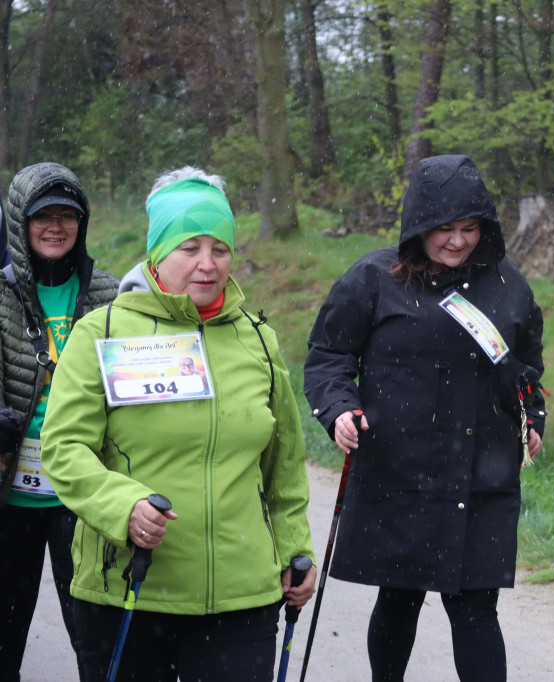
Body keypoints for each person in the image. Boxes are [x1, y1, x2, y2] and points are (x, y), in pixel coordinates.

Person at [40, 167, 316, 682]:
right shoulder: (100, 332)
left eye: (220, 248)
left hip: (243, 600)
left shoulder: (258, 340)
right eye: (190, 247)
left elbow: (282, 465)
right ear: (158, 253)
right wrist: (123, 507)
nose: (207, 265)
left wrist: (295, 548)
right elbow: (63, 449)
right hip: (132, 592)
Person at [304, 154, 546, 682]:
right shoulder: (374, 279)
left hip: (482, 475)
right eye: (444, 229)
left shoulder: (509, 287)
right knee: (400, 597)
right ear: (418, 225)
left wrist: (533, 417)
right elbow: (328, 357)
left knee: (476, 608)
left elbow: (527, 367)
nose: (457, 242)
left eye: (469, 228)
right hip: (401, 472)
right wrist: (340, 409)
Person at [0, 163, 119, 681]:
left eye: (67, 215)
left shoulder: (112, 297)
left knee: (97, 643)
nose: (55, 226)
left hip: (86, 497)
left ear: (82, 223)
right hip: (11, 499)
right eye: (42, 215)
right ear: (18, 224)